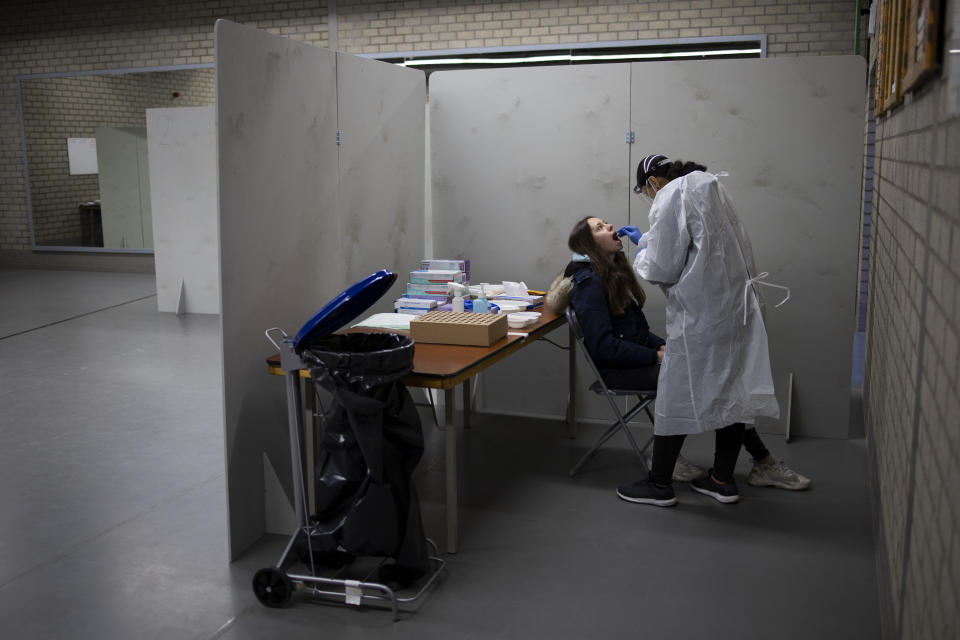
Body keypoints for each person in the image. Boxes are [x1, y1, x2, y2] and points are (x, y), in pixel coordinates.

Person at [614, 154, 808, 506]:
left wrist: (643, 248)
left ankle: (660, 485)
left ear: (652, 181)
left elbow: (662, 267)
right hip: (736, 311)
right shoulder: (711, 185)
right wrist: (648, 240)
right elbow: (700, 246)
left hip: (701, 318)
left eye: (644, 190)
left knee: (676, 393)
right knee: (731, 391)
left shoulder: (670, 195)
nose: (647, 196)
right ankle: (721, 480)